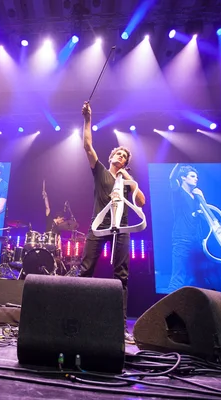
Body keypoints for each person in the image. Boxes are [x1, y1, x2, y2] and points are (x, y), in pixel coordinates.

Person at [79, 101, 146, 344]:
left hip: (122, 228)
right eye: (118, 153)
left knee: (122, 276)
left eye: (124, 156)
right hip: (99, 226)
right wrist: (88, 119)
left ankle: (120, 326)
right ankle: (75, 314)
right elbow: (87, 146)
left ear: (127, 163)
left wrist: (128, 177)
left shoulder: (128, 179)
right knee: (86, 269)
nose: (120, 156)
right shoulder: (101, 172)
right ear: (111, 156)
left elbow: (140, 201)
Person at [167, 164, 221, 292]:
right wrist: (178, 162)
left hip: (197, 241)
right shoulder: (178, 191)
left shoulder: (197, 196)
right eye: (192, 176)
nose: (196, 179)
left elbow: (206, 217)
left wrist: (202, 198)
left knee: (200, 278)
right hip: (182, 239)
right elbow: (171, 178)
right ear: (183, 178)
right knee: (178, 277)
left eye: (196, 176)